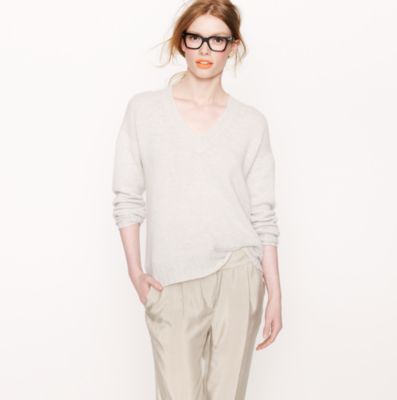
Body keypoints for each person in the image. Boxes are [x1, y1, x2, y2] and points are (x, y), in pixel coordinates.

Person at [111, 1, 282, 398]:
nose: (205, 49)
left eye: (217, 40)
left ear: (233, 47)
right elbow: (127, 196)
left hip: (238, 273)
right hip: (171, 278)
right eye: (196, 38)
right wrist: (136, 272)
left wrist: (275, 292)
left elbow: (263, 214)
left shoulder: (251, 123)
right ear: (181, 42)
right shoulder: (144, 111)